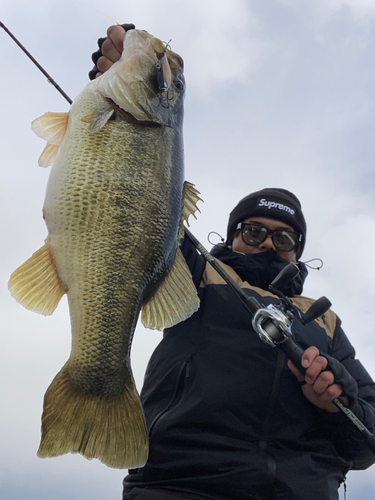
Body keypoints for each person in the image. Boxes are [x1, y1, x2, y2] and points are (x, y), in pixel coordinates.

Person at [89, 26, 375, 500]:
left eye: (283, 237)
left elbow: (368, 440)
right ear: (233, 235)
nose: (267, 244)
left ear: (299, 251)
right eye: (254, 231)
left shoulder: (322, 320)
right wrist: (119, 82)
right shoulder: (194, 270)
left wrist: (335, 395)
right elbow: (133, 204)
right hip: (178, 488)